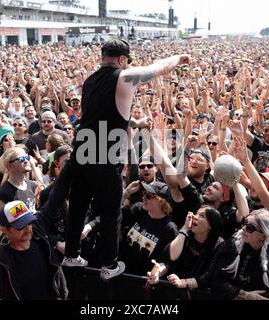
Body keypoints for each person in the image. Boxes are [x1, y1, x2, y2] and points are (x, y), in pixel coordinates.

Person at [62, 39, 190, 280]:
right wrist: (179, 58)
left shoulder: (89, 81)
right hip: (104, 152)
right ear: (122, 59)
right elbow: (159, 67)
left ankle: (71, 254)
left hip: (82, 148)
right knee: (112, 211)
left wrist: (136, 123)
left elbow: (103, 115)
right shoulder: (123, 76)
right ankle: (109, 265)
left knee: (78, 205)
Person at [0, 200, 68, 300]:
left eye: (29, 222)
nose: (27, 228)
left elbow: (56, 196)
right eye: (20, 226)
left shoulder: (40, 240)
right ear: (5, 230)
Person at [208, 209, 269, 300]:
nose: (243, 228)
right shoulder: (234, 243)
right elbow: (216, 279)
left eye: (250, 227)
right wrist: (244, 295)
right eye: (244, 222)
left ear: (264, 236)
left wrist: (256, 297)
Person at [148, 206, 224, 299]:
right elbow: (170, 260)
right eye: (196, 213)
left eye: (202, 216)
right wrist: (157, 274)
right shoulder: (184, 235)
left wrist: (182, 282)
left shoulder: (219, 245)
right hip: (170, 292)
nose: (195, 217)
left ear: (211, 225)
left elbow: (207, 277)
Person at [0, 147, 39, 240]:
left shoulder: (32, 185)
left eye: (27, 157)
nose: (26, 161)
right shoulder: (4, 193)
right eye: (21, 159)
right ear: (9, 166)